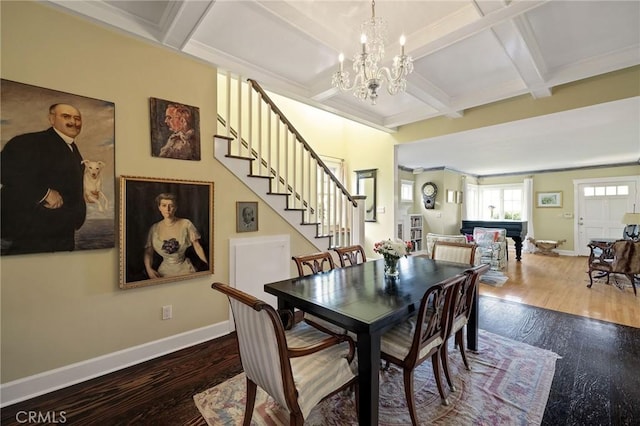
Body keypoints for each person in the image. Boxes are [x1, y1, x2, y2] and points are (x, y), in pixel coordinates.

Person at [0, 103, 86, 255]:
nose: (74, 122)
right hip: (33, 231)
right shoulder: (31, 141)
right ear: (51, 119)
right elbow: (5, 171)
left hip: (63, 231)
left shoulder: (73, 149)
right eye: (66, 116)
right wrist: (44, 193)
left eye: (77, 118)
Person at [144, 193, 208, 278]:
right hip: (163, 271)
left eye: (171, 205)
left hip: (185, 269)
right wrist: (148, 269)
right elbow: (148, 252)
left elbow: (198, 247)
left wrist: (208, 267)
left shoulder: (186, 224)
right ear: (159, 207)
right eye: (164, 205)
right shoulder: (154, 228)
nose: (167, 209)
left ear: (176, 208)